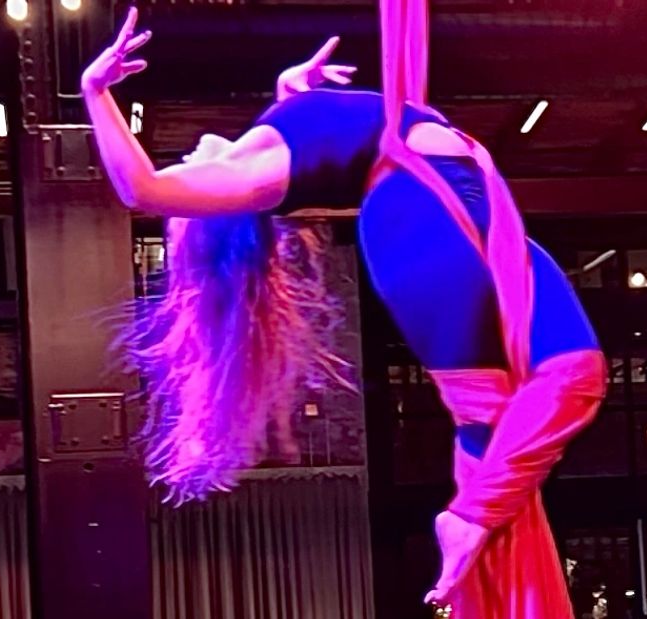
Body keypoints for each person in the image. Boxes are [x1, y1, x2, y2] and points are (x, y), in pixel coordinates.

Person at [82, 6, 607, 615]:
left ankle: (478, 519)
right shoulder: (250, 173)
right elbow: (142, 188)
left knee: (556, 382)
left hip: (462, 198)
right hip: (421, 212)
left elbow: (320, 141)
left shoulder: (269, 138)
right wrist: (96, 92)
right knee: (555, 384)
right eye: (190, 182)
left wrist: (291, 91)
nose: (187, 156)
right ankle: (471, 516)